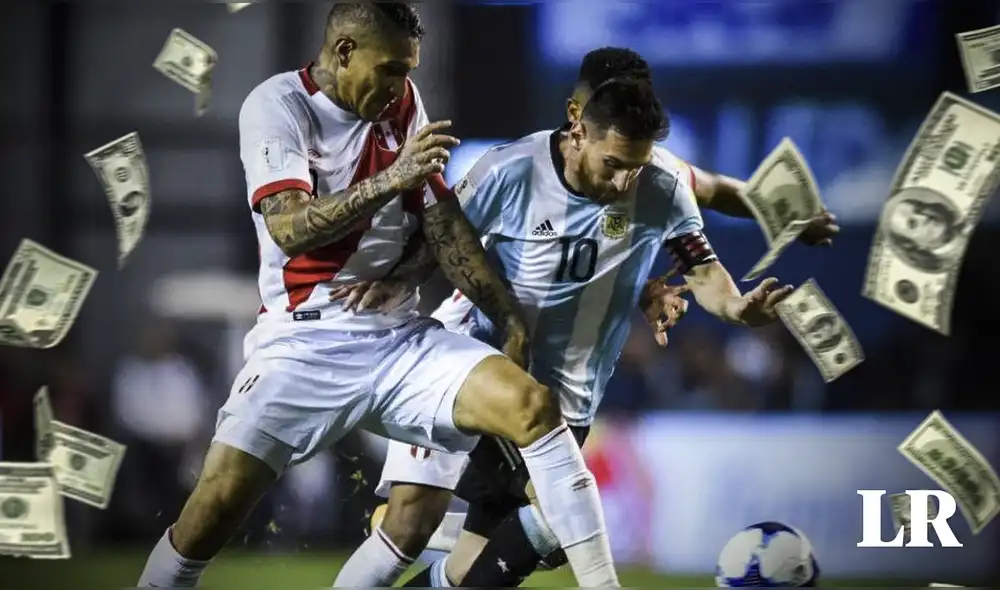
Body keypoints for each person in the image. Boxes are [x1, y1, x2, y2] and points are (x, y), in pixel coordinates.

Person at [136, 3, 622, 587]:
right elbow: (289, 228)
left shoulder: (401, 104)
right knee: (208, 515)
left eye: (408, 70)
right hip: (303, 343)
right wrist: (392, 177)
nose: (400, 85)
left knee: (532, 408)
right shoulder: (277, 106)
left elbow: (443, 221)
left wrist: (508, 318)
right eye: (390, 68)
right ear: (345, 52)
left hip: (397, 339)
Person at [333, 47, 806, 588]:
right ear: (578, 122)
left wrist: (739, 308)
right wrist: (394, 279)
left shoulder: (662, 181)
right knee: (410, 527)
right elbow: (442, 234)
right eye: (615, 166)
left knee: (483, 567)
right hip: (474, 367)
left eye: (636, 167)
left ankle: (455, 535)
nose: (625, 182)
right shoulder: (511, 169)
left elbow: (706, 263)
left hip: (567, 396)